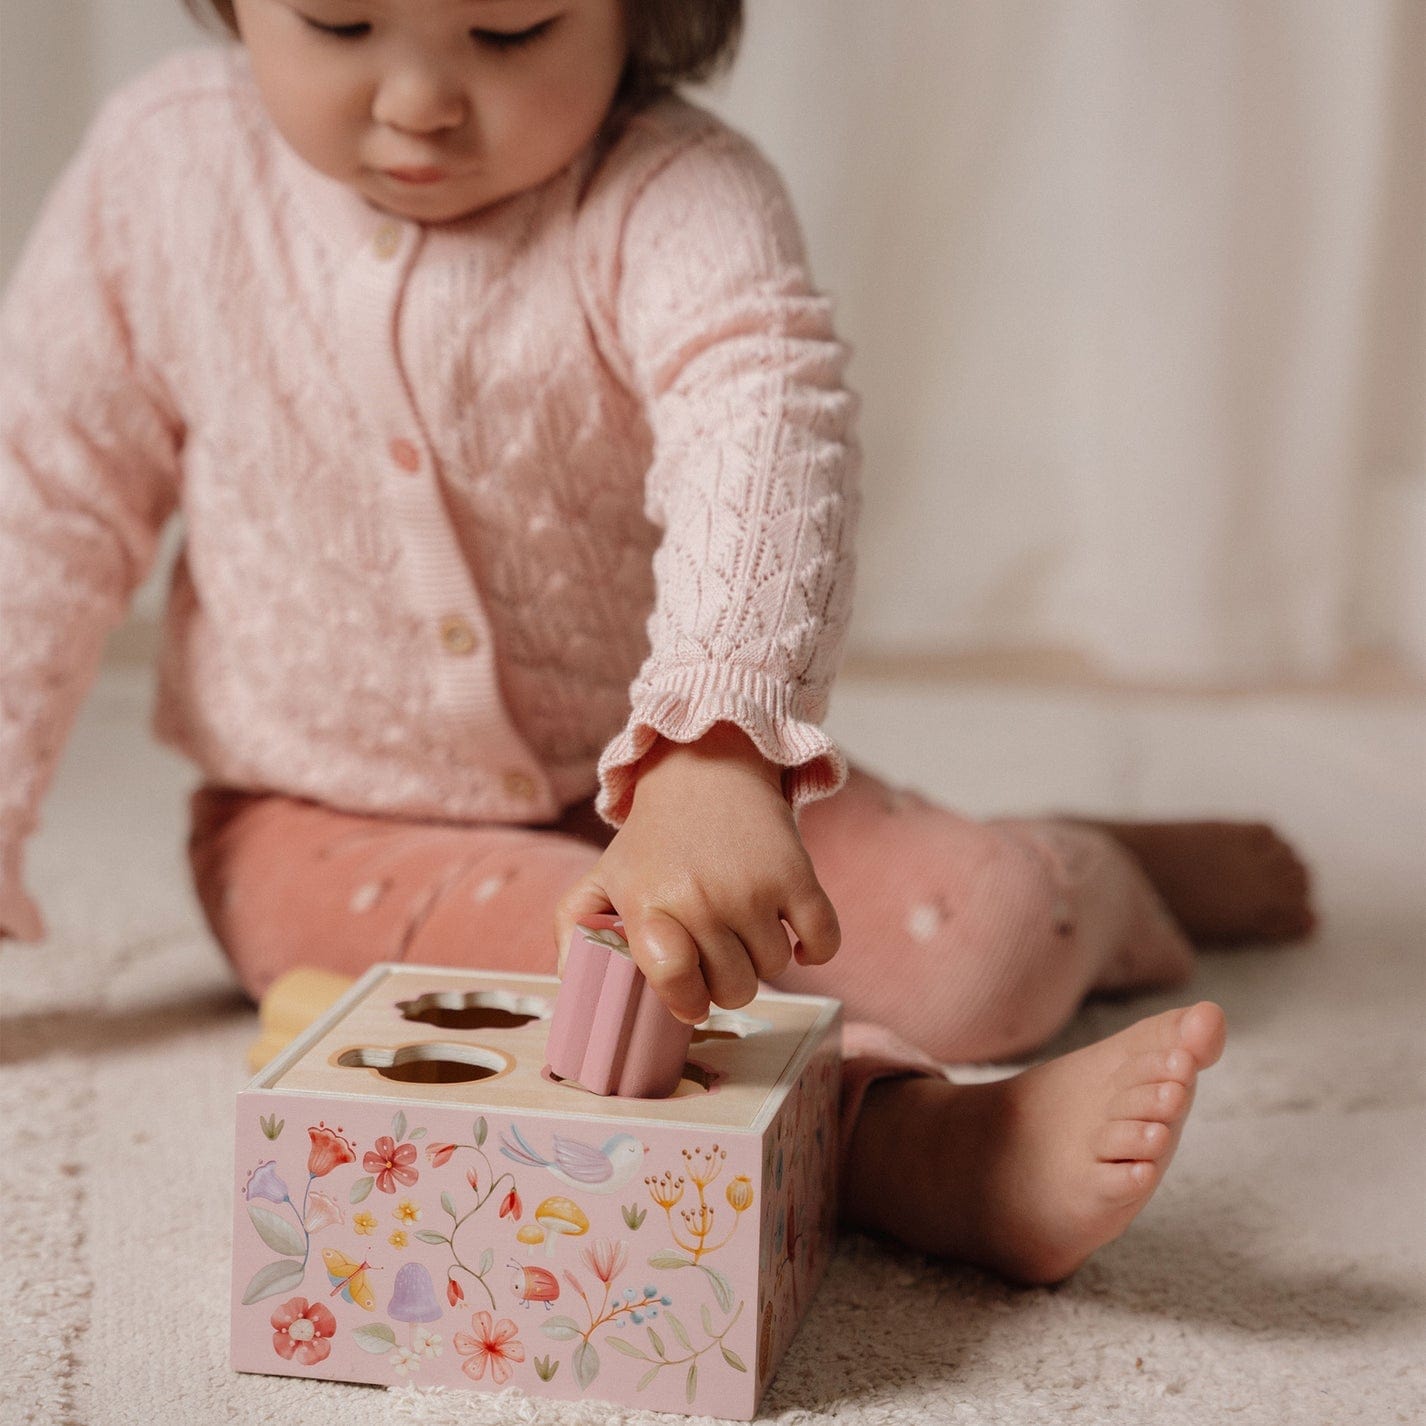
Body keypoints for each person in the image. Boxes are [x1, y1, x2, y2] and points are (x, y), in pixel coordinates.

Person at [0, 0, 1313, 1285]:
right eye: (338, 25)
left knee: (988, 949)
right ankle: (902, 1143)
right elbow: (40, 498)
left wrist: (712, 748)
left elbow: (763, 430)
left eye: (509, 34)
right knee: (543, 1013)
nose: (416, 104)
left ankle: (1098, 872)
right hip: (316, 818)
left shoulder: (674, 194)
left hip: (675, 782)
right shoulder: (158, 176)